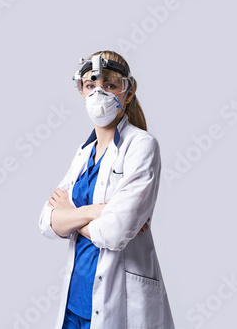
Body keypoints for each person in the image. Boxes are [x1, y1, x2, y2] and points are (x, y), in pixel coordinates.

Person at [39, 50, 175, 329]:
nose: (98, 95)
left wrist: (72, 215)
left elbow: (113, 233)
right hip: (76, 300)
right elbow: (46, 222)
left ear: (128, 90)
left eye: (110, 86)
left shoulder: (141, 146)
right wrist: (98, 212)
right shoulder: (84, 152)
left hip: (121, 302)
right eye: (91, 86)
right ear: (81, 91)